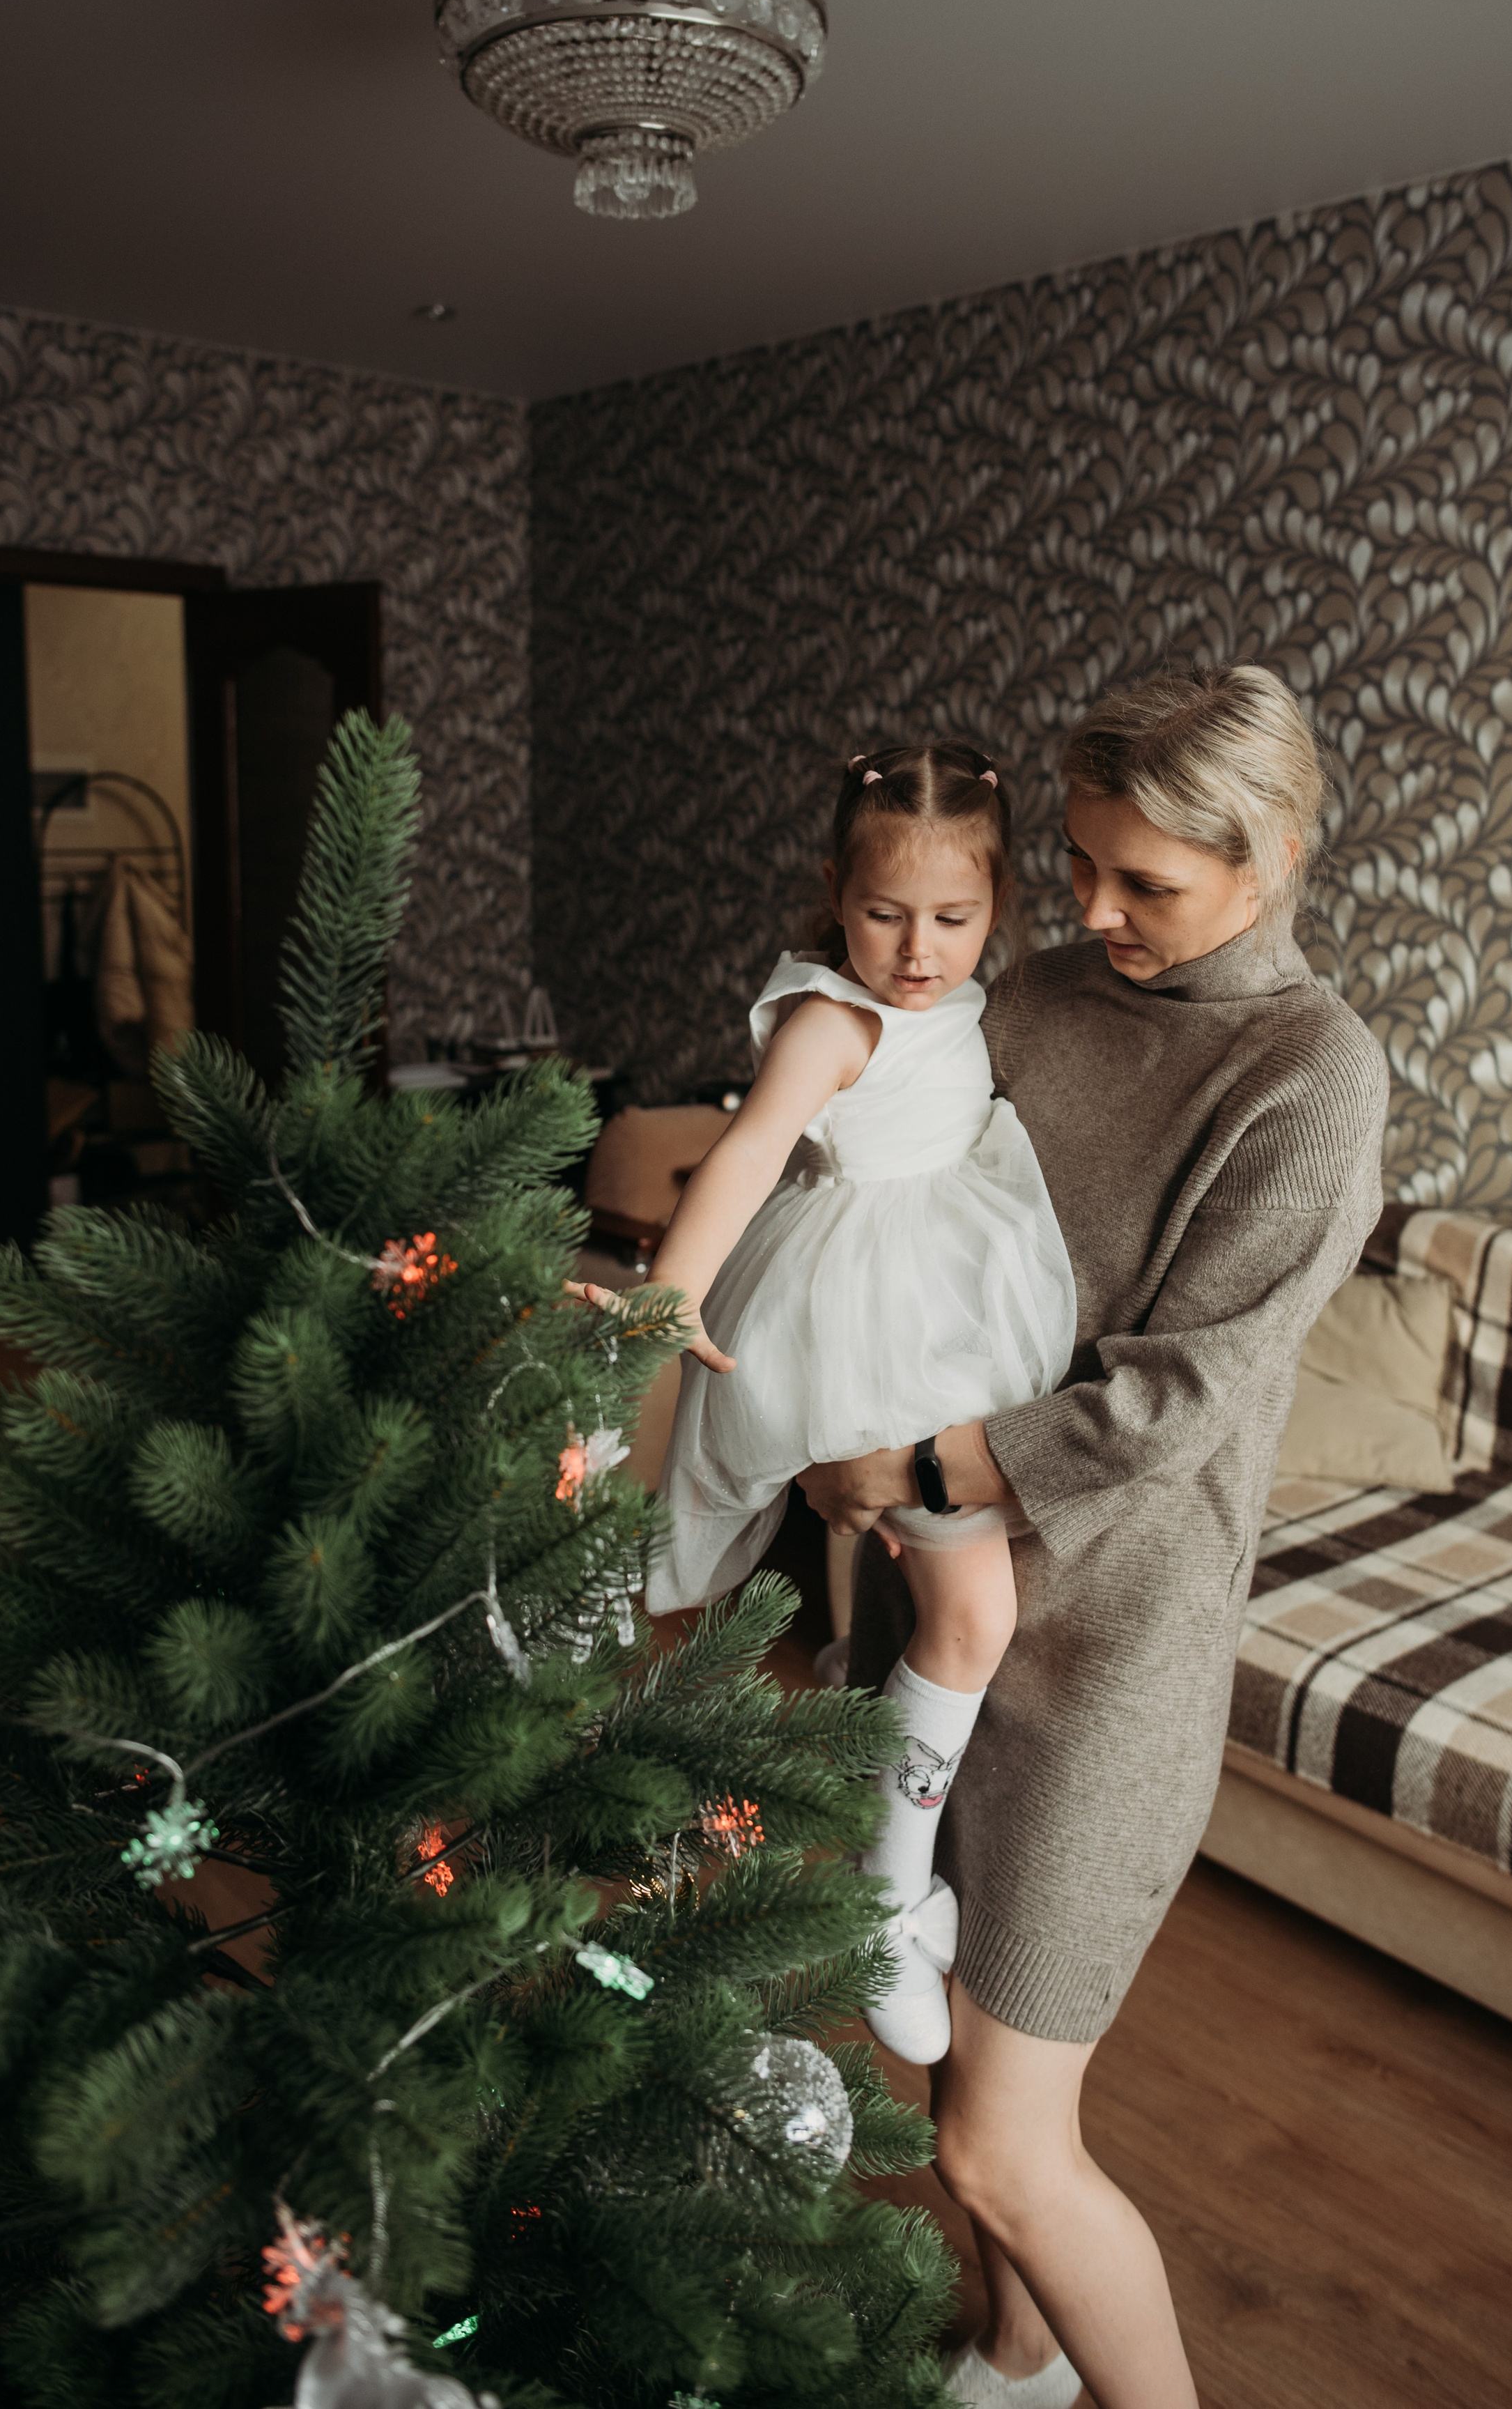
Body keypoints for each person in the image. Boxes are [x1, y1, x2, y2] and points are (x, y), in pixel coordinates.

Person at [800, 664, 1389, 2409]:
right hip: (934, 1606)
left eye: (1149, 881)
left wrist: (908, 1459)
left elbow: (1176, 1394)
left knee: (998, 2145)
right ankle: (1017, 2352)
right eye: (1077, 862)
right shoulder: (1036, 998)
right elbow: (887, 1196)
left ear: (1273, 857)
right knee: (942, 2048)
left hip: (1111, 1657)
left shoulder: (1310, 1075)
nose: (1094, 909)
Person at [571, 741, 1075, 2062]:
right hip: (871, 1329)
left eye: (953, 918)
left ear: (998, 904)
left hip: (952, 1318)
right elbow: (746, 1151)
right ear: (836, 897)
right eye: (883, 914)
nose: (918, 951)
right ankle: (884, 1894)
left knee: (964, 1614)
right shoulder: (831, 1020)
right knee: (976, 1617)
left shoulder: (967, 1000)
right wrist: (671, 1293)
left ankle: (890, 1877)